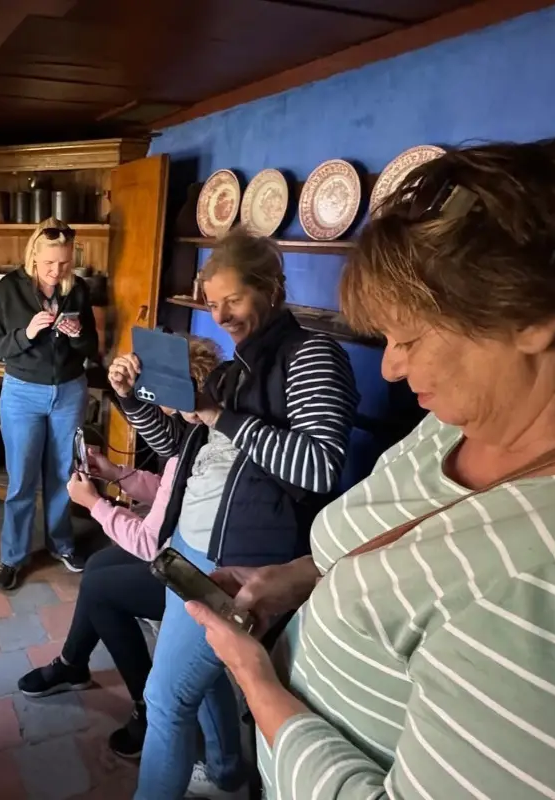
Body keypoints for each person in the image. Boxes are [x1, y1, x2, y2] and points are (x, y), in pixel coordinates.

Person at [186, 130, 555, 800]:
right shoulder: (460, 417)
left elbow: (316, 466)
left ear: (530, 313)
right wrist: (299, 577)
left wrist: (257, 681)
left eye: (410, 337)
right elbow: (409, 545)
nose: (390, 367)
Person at [106, 228, 361, 800]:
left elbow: (319, 466)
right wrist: (129, 400)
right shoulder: (231, 371)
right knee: (196, 675)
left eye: (234, 300)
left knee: (166, 697)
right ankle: (226, 772)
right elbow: (176, 449)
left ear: (271, 289)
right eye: (212, 303)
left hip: (238, 561)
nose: (220, 316)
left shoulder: (313, 356)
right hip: (188, 546)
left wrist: (219, 416)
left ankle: (209, 776)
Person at [14, 335, 224, 762]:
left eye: (157, 391)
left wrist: (94, 504)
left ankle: (146, 707)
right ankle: (73, 663)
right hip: (179, 549)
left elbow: (148, 542)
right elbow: (167, 488)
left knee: (101, 589)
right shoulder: (196, 431)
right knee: (98, 566)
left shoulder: (203, 440)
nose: (151, 401)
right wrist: (114, 473)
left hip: (196, 576)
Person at [0, 218, 98, 586]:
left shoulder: (77, 289)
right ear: (33, 255)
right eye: (49, 263)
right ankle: (12, 557)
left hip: (69, 391)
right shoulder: (9, 290)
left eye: (64, 263)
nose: (56, 271)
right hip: (22, 393)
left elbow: (92, 346)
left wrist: (78, 336)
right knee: (21, 478)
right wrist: (26, 334)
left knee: (63, 474)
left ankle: (61, 544)